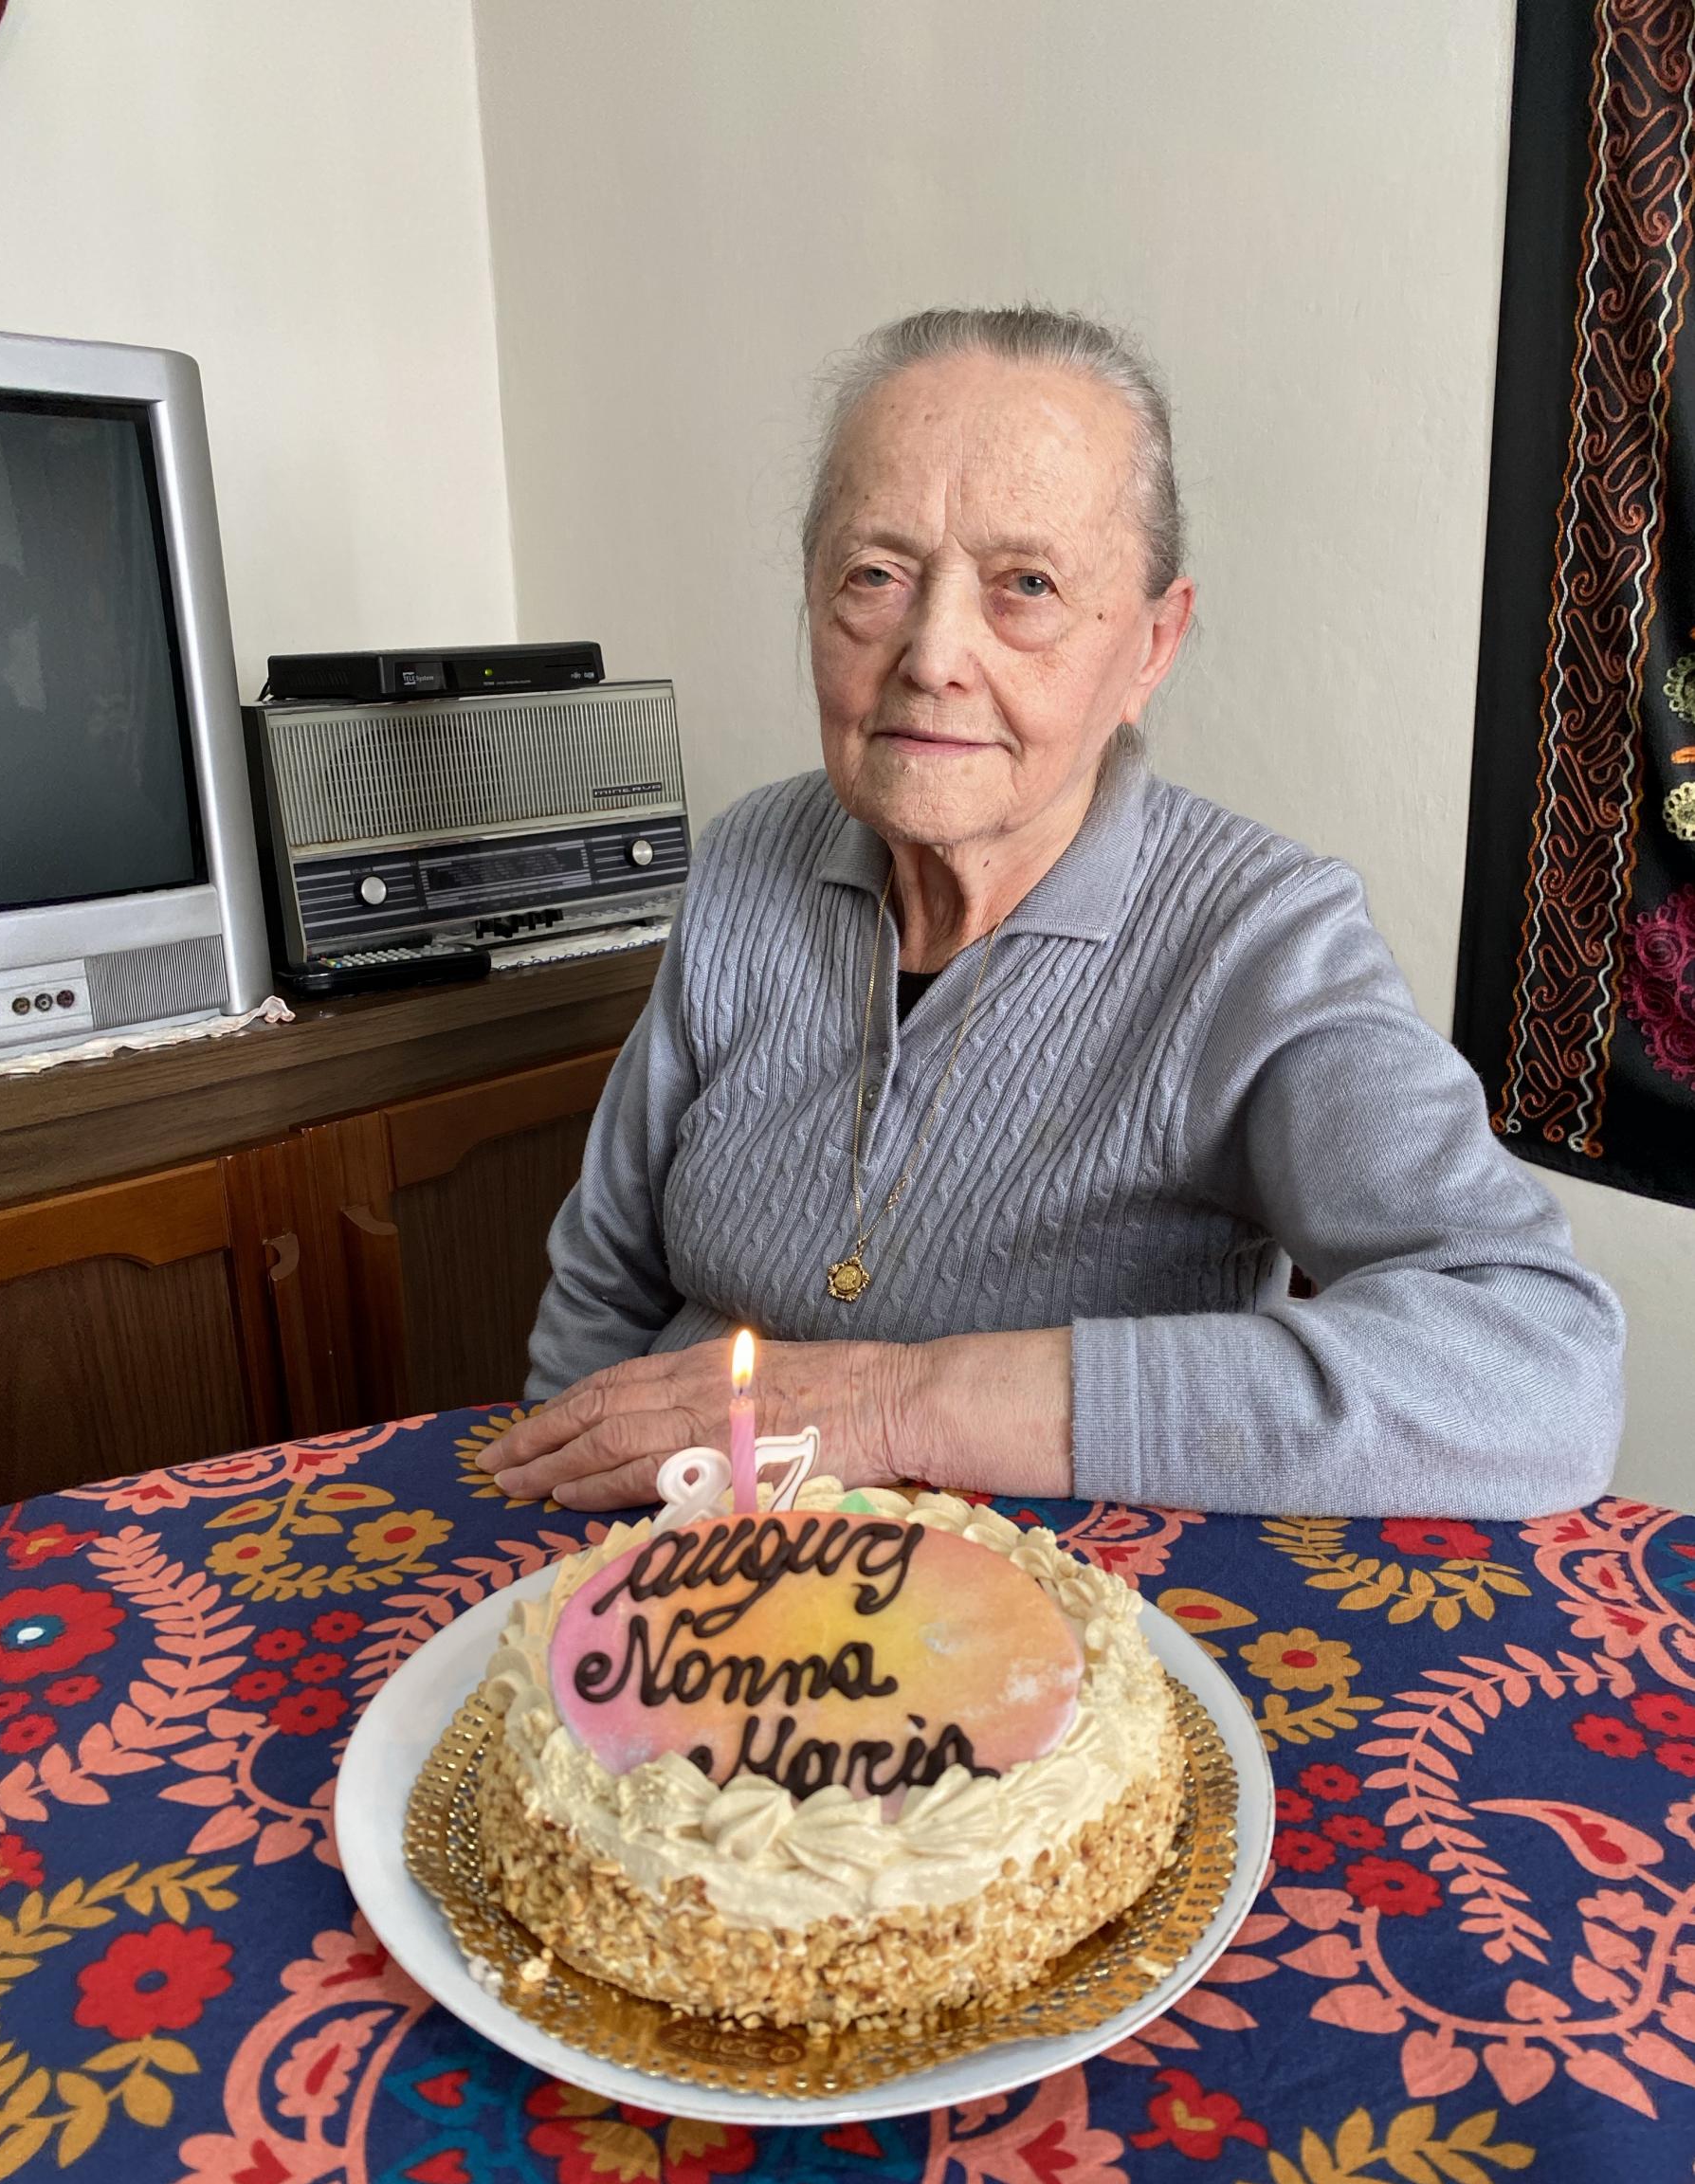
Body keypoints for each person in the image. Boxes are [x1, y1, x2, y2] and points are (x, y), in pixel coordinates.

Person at [480, 304, 1624, 1520]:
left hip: (1062, 1637)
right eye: (875, 574)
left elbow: (1541, 1367)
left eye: (1026, 584)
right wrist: (578, 1566)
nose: (933, 654)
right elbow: (603, 1292)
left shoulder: (1258, 941)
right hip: (695, 1616)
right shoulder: (751, 857)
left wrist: (894, 1404)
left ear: (1151, 644)